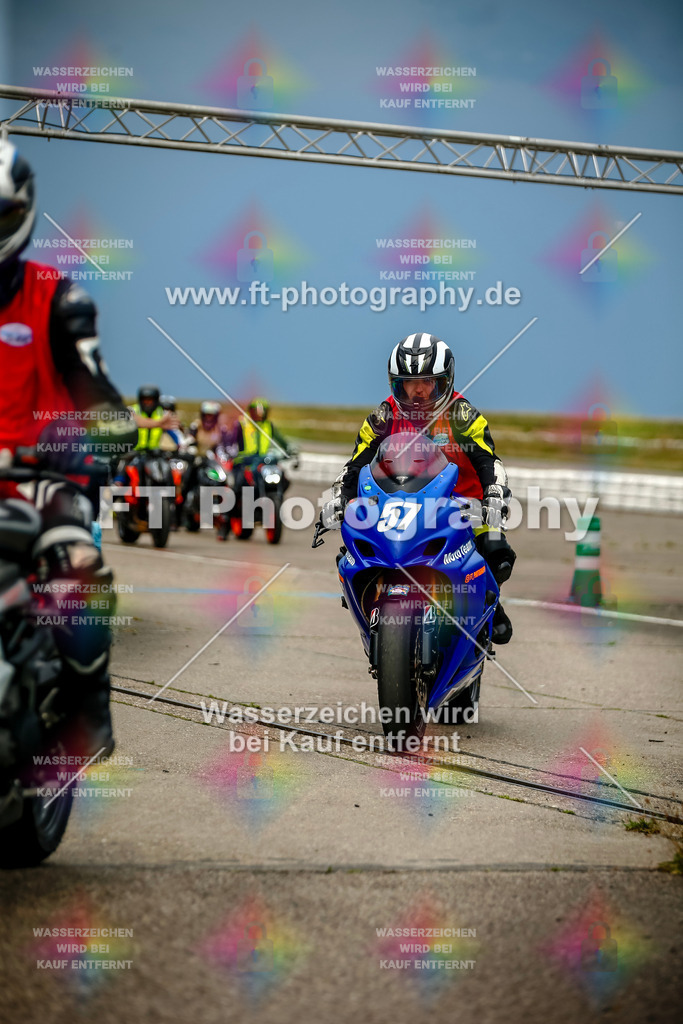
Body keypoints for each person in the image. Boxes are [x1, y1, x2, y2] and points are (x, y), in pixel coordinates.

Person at [0, 139, 137, 756]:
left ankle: (89, 710)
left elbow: (97, 393)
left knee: (77, 566)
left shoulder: (58, 301)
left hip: (37, 478)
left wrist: (101, 439)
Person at [324, 333, 516, 644]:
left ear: (446, 381)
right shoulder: (382, 416)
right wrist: (340, 499)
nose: (418, 391)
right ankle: (372, 616)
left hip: (461, 509)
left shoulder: (461, 414)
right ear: (394, 384)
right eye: (408, 383)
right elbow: (356, 464)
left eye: (429, 382)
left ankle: (488, 609)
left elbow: (488, 461)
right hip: (394, 505)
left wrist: (494, 497)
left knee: (496, 552)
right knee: (352, 552)